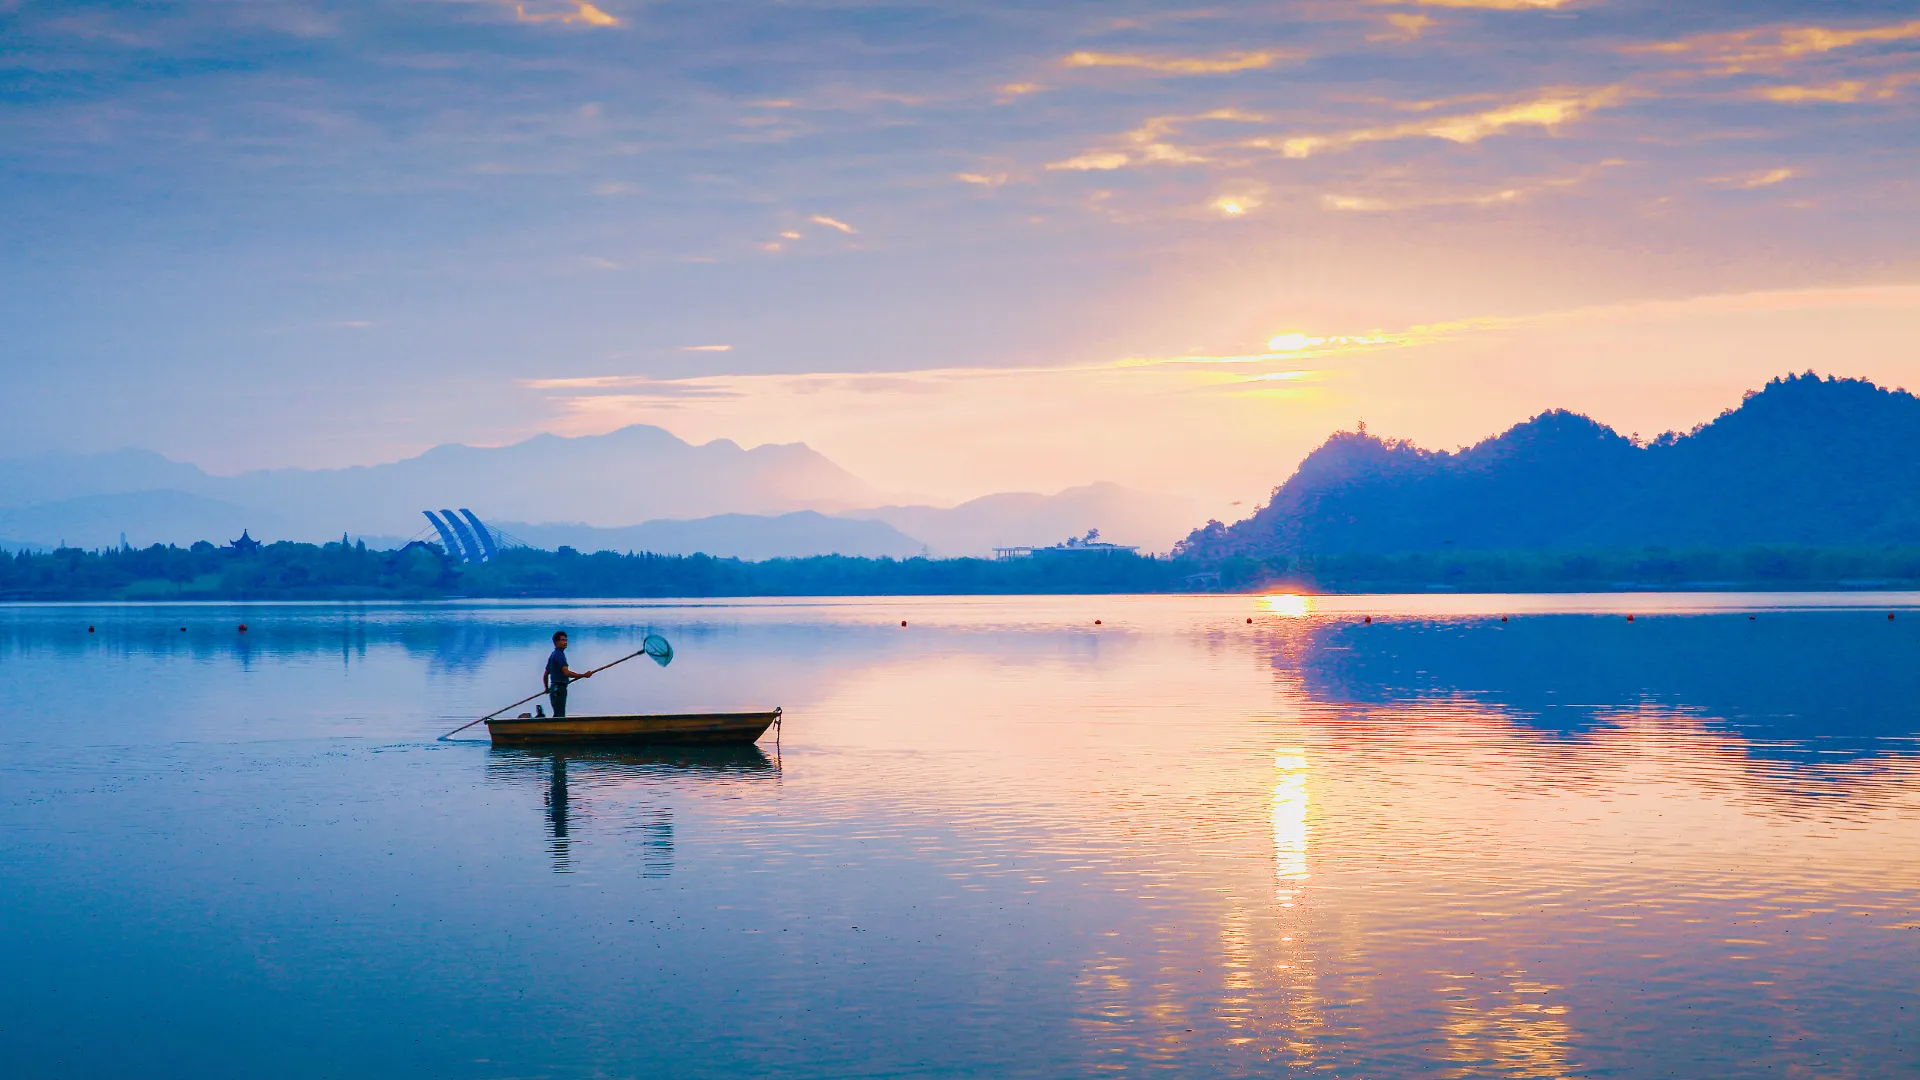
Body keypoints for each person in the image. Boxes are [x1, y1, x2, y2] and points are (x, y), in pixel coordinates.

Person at [543, 631, 592, 717]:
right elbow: (566, 673)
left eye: (566, 640)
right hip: (559, 690)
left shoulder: (553, 655)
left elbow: (546, 675)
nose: (565, 642)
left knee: (557, 714)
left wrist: (547, 689)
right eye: (562, 640)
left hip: (553, 689)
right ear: (556, 642)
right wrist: (583, 675)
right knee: (560, 715)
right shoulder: (559, 655)